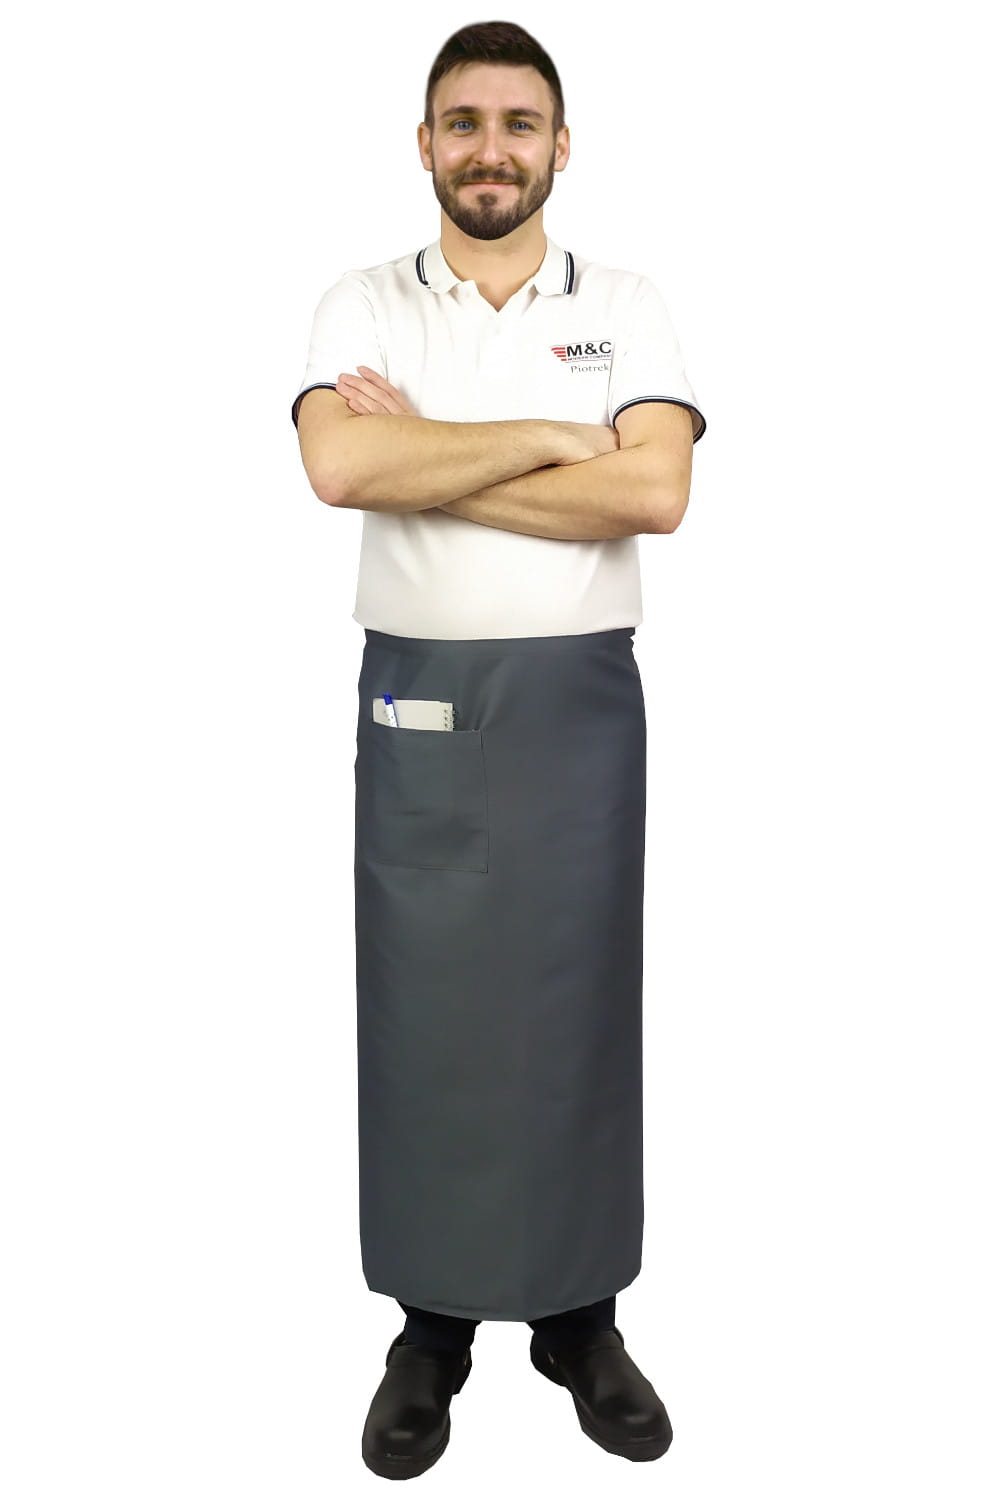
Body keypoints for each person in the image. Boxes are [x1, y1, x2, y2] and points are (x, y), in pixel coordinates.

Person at [291, 19, 706, 1480]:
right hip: (421, 704)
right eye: (462, 122)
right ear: (426, 144)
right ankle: (431, 1329)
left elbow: (655, 497)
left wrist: (437, 457)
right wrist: (559, 438)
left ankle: (581, 1320)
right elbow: (342, 464)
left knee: (579, 1011)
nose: (490, 149)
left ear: (559, 146)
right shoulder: (363, 301)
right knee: (423, 1022)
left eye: (518, 123)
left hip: (579, 711)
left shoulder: (628, 305)